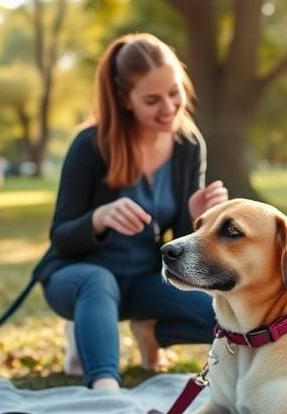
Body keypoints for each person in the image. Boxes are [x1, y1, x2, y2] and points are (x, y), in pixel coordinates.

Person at [34, 33, 228, 390]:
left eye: (174, 92)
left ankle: (149, 328)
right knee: (97, 282)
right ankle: (104, 387)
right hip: (77, 276)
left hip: (142, 277)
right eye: (152, 100)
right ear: (125, 100)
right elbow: (61, 237)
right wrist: (99, 218)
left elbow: (180, 245)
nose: (169, 108)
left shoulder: (188, 144)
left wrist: (195, 216)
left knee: (224, 317)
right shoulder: (90, 146)